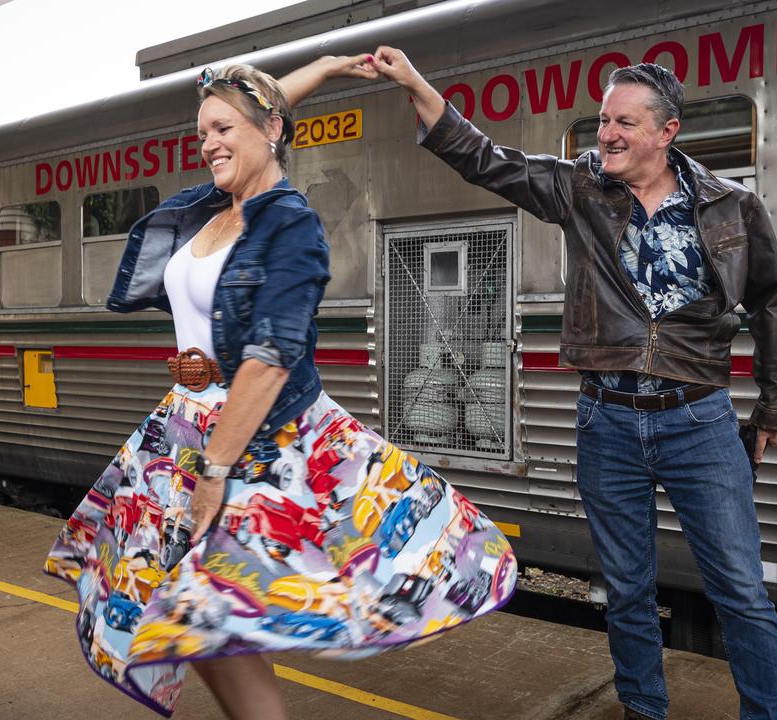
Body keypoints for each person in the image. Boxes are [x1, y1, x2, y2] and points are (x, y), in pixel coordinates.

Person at [44, 57, 516, 720]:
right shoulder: (213, 205)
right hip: (184, 428)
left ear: (271, 130)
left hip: (249, 441)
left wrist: (215, 470)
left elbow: (268, 359)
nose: (207, 142)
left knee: (204, 614)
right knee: (204, 622)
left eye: (221, 129)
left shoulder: (287, 223)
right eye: (202, 130)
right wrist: (320, 69)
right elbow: (252, 110)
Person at [371, 47, 777, 720]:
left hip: (700, 421)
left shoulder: (731, 207)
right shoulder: (581, 188)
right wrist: (416, 83)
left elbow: (773, 300)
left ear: (667, 132)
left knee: (740, 590)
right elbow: (485, 158)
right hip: (608, 419)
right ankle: (643, 710)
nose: (605, 134)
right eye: (603, 120)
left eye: (624, 123)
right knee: (628, 589)